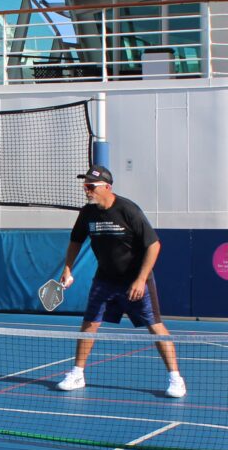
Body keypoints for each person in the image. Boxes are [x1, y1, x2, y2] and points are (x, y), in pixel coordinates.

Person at [55, 165, 186, 398]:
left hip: (135, 280)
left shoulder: (128, 210)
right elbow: (75, 241)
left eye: (90, 186)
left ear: (107, 187)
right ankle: (77, 374)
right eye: (84, 186)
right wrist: (67, 268)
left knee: (155, 326)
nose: (86, 190)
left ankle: (176, 379)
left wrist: (141, 279)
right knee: (89, 324)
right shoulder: (87, 213)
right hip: (104, 279)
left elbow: (154, 245)